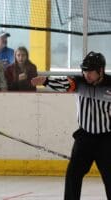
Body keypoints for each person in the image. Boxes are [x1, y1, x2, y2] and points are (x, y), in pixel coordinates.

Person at [31, 51, 111, 200]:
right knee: (73, 175)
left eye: (90, 71)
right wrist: (45, 81)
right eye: (85, 71)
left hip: (106, 140)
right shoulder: (79, 82)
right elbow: (64, 83)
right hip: (84, 138)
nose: (87, 74)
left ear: (100, 70)